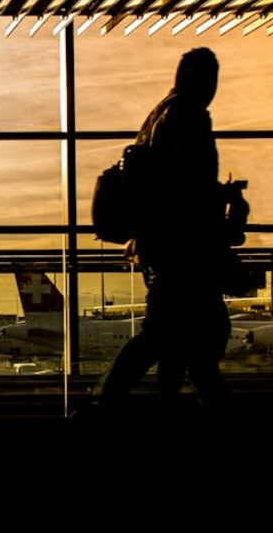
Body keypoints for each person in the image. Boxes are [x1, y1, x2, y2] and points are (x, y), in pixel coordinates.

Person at [88, 47, 236, 418]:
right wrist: (221, 198)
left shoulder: (159, 116)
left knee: (172, 338)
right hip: (182, 249)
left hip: (159, 246)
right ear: (205, 80)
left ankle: (116, 404)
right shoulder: (190, 117)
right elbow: (186, 189)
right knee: (179, 340)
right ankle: (108, 404)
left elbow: (165, 186)